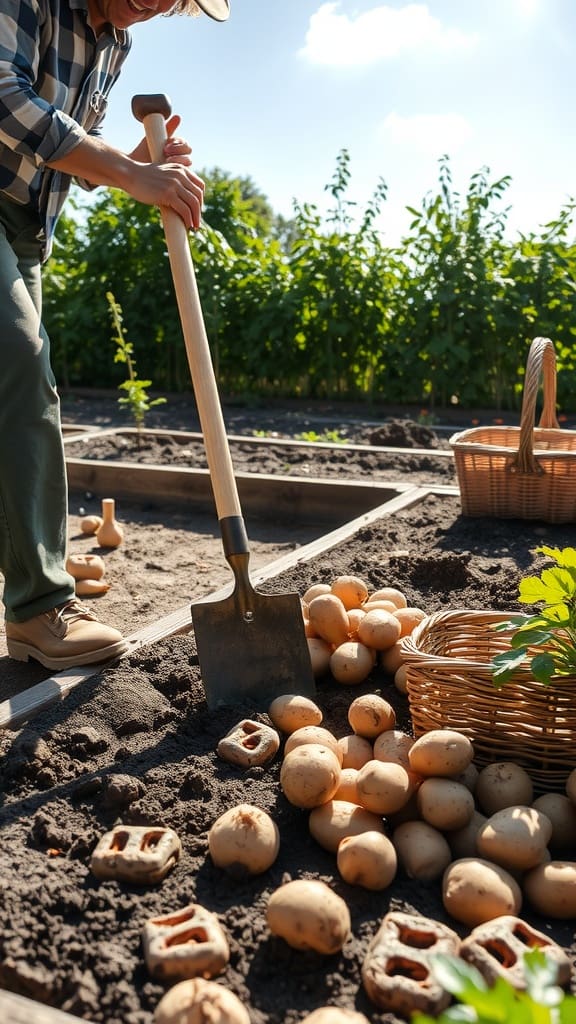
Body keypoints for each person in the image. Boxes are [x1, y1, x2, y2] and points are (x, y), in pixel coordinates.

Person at [0, 0, 230, 671]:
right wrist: (132, 174)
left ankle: (29, 553)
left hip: (25, 230)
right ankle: (40, 607)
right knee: (21, 365)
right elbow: (6, 98)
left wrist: (128, 161)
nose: (154, 2)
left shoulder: (114, 43)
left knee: (20, 388)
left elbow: (62, 152)